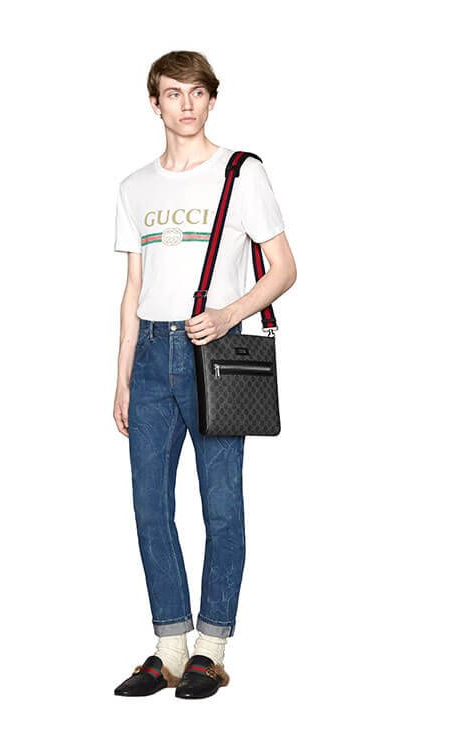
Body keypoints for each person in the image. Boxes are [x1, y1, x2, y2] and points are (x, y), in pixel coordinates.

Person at [112, 50, 297, 699]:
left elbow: (283, 267)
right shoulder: (134, 186)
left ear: (211, 100)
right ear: (155, 103)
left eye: (196, 92)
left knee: (221, 505)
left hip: (211, 353)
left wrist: (226, 316)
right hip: (150, 357)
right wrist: (121, 377)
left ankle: (210, 649)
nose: (185, 104)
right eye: (173, 93)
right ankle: (169, 649)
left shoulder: (240, 174)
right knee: (150, 507)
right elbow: (133, 287)